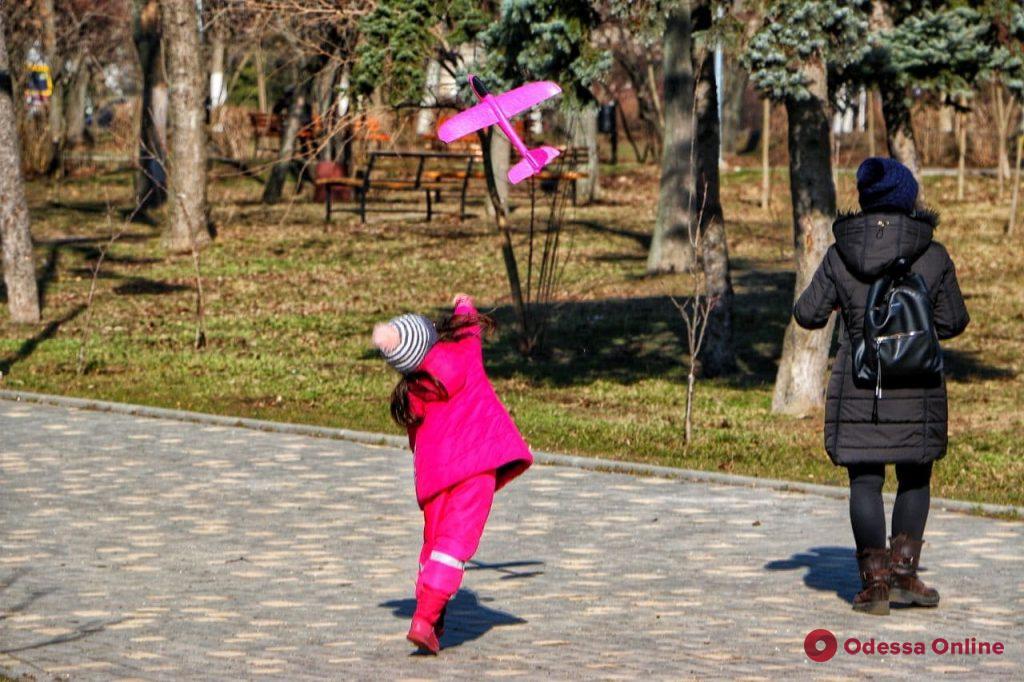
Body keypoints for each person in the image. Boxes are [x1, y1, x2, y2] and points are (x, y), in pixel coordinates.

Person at [793, 157, 969, 616]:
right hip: (919, 387)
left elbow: (807, 314)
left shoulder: (839, 253)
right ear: (909, 199)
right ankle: (906, 575)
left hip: (861, 388)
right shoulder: (932, 253)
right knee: (915, 475)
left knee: (865, 480)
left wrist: (851, 312)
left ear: (866, 200)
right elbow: (953, 322)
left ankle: (875, 585)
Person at [372, 294, 532, 653]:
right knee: (454, 545)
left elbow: (416, 439)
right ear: (431, 335)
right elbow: (470, 329)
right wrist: (464, 305)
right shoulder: (463, 357)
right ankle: (425, 619)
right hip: (474, 471)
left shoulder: (412, 391)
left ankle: (432, 616)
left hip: (434, 479)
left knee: (434, 545)